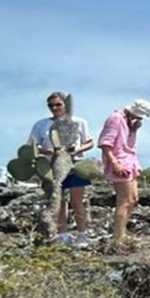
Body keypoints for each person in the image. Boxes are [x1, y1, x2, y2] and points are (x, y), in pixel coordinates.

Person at [29, 92, 95, 235]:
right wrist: (47, 151)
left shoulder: (78, 121)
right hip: (51, 166)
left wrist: (77, 150)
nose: (54, 108)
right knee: (57, 202)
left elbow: (89, 142)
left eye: (58, 104)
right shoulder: (41, 124)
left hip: (75, 164)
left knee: (77, 202)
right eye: (51, 105)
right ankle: (62, 234)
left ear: (66, 104)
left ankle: (82, 233)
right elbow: (33, 145)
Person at [97, 98, 150, 246]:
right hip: (120, 162)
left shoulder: (129, 122)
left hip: (129, 161)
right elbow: (105, 143)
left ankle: (122, 233)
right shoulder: (116, 118)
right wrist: (114, 163)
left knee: (133, 199)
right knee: (124, 200)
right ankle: (118, 236)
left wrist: (133, 129)